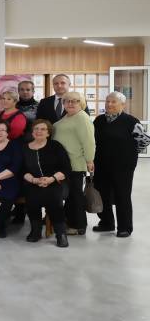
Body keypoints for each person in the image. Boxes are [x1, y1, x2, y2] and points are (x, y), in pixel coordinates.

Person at [93, 92, 147, 238]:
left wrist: (129, 154)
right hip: (101, 164)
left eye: (113, 102)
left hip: (123, 166)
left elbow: (144, 140)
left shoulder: (131, 121)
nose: (109, 104)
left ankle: (125, 227)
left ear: (123, 104)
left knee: (122, 195)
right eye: (107, 101)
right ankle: (106, 223)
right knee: (103, 193)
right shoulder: (99, 120)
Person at [22, 119, 71, 247]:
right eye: (36, 129)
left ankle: (61, 233)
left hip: (55, 181)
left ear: (48, 133)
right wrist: (34, 180)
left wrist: (51, 179)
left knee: (54, 199)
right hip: (33, 181)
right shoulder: (25, 148)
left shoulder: (56, 146)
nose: (39, 131)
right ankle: (36, 230)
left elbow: (66, 168)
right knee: (31, 198)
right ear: (32, 132)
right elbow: (22, 170)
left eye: (43, 129)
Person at [53, 91, 95, 236]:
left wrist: (89, 160)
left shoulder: (82, 118)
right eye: (67, 101)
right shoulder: (67, 116)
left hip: (75, 163)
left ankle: (79, 226)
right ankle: (68, 222)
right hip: (63, 164)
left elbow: (89, 142)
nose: (70, 103)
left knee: (75, 196)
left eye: (75, 101)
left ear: (81, 103)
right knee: (69, 196)